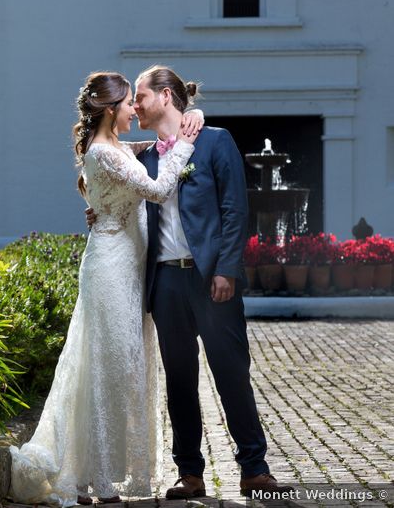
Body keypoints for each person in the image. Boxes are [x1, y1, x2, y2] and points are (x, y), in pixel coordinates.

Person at [87, 65, 294, 500]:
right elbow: (100, 179)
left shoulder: (216, 141)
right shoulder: (141, 156)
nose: (135, 105)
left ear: (165, 96)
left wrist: (226, 270)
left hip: (210, 279)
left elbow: (237, 210)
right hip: (164, 282)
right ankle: (190, 473)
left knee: (232, 373)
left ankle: (254, 468)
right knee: (179, 379)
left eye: (140, 96)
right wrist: (97, 212)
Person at [8, 71, 202, 507]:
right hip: (111, 267)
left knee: (123, 366)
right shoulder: (103, 152)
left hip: (132, 267)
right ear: (112, 108)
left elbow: (152, 150)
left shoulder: (118, 148)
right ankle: (96, 481)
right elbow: (156, 188)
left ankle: (97, 474)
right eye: (131, 102)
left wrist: (193, 115)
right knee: (109, 367)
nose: (136, 109)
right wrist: (186, 147)